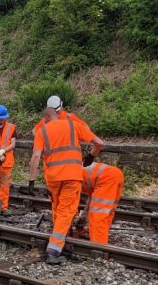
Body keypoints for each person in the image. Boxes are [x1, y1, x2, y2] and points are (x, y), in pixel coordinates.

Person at [28, 107, 104, 264]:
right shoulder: (73, 125)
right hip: (72, 175)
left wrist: (31, 180)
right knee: (66, 210)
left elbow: (36, 156)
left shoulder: (42, 131)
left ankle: (60, 236)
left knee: (58, 208)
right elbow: (99, 143)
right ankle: (54, 250)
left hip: (53, 178)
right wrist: (91, 156)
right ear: (58, 114)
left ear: (46, 118)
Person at [78, 162, 125, 244]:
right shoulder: (77, 169)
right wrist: (85, 214)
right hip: (116, 174)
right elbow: (92, 197)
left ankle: (98, 247)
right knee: (107, 214)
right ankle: (101, 238)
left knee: (98, 215)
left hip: (106, 178)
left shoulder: (69, 180)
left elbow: (70, 206)